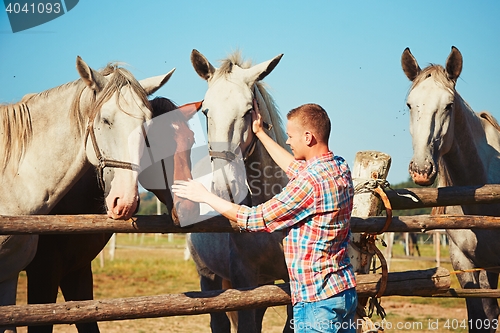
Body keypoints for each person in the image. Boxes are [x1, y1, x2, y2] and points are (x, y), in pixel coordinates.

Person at [172, 101, 357, 333]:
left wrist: (206, 196)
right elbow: (295, 168)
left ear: (308, 137)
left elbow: (254, 218)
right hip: (343, 291)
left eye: (291, 136)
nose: (287, 141)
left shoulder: (308, 184)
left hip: (316, 300)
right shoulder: (338, 168)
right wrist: (259, 133)